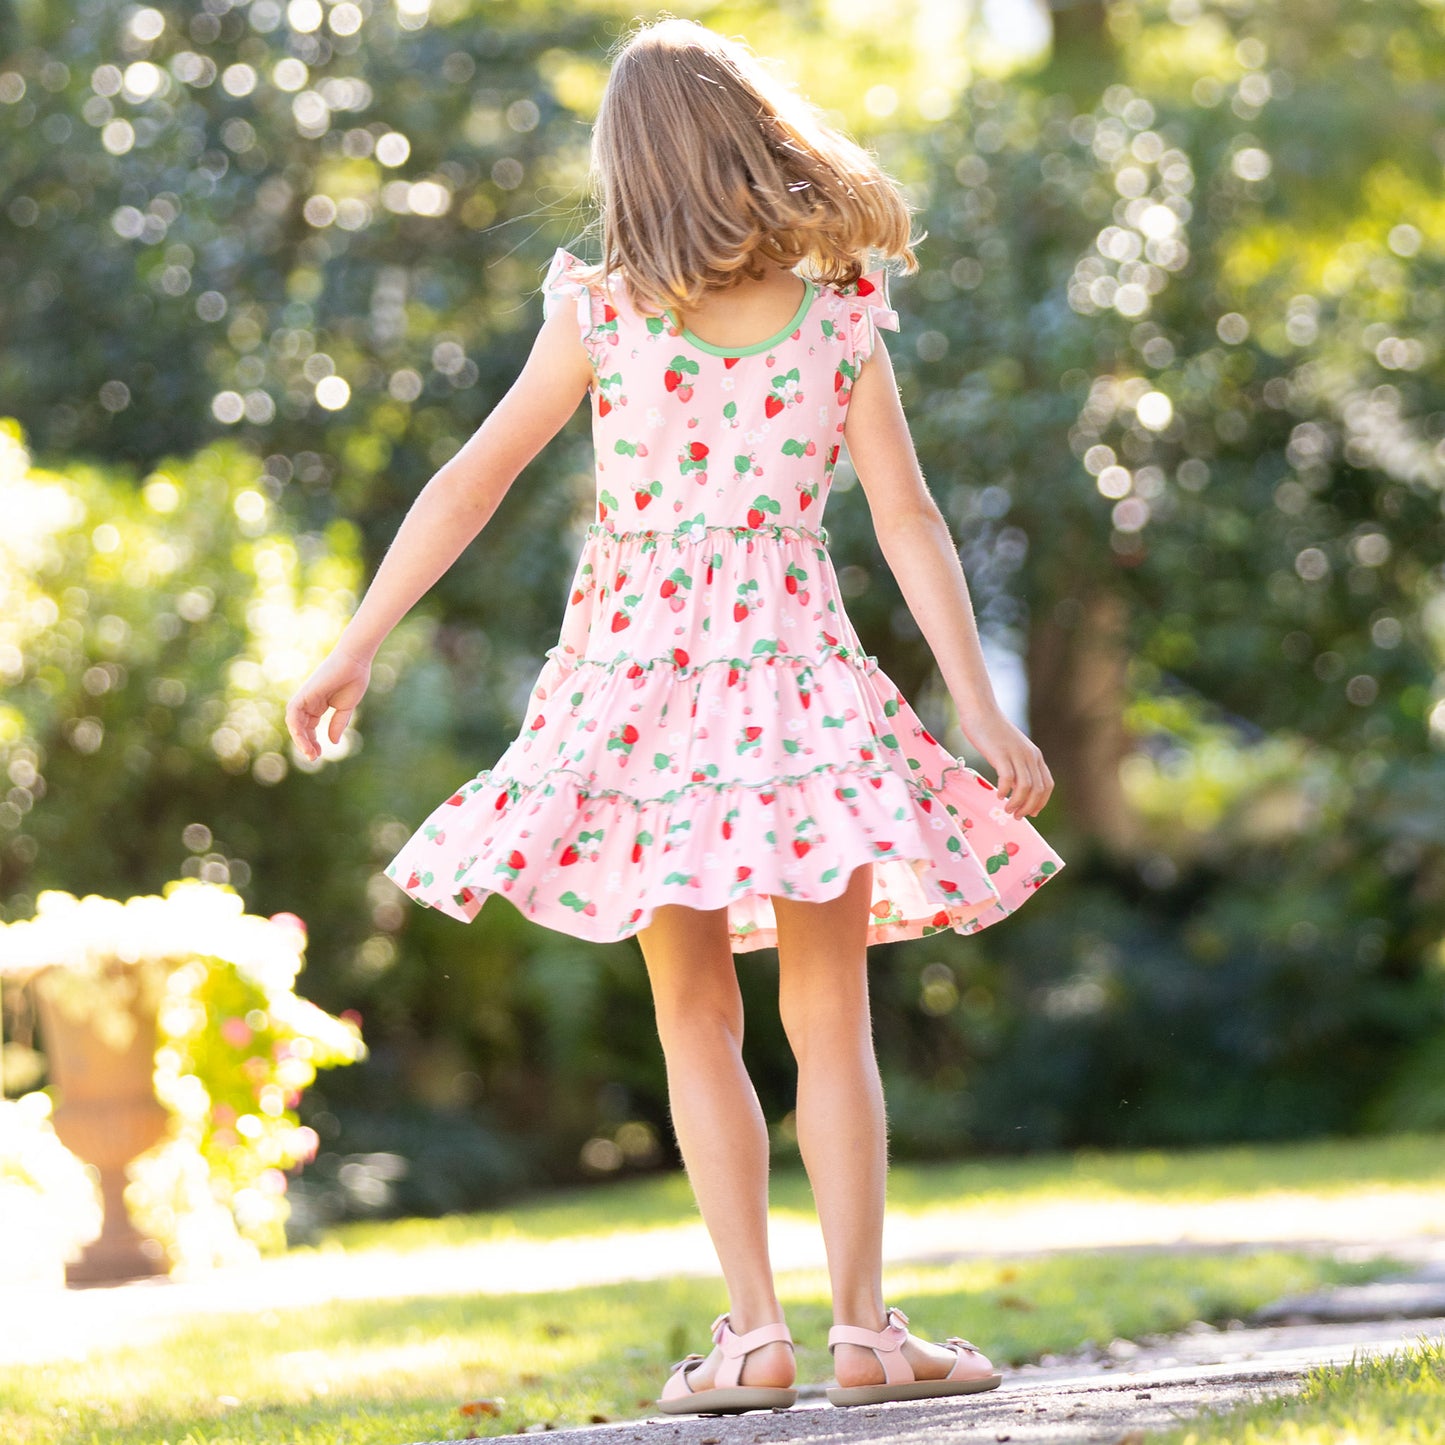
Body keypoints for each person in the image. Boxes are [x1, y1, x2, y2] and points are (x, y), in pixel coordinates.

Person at [286, 15, 1064, 1419]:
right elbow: (909, 518)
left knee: (693, 1012)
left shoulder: (601, 312)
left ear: (629, 169)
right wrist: (973, 708)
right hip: (795, 688)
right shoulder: (843, 312)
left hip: (636, 695)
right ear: (759, 139)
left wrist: (353, 646)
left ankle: (756, 1336)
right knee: (831, 1019)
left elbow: (470, 481)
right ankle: (868, 1332)